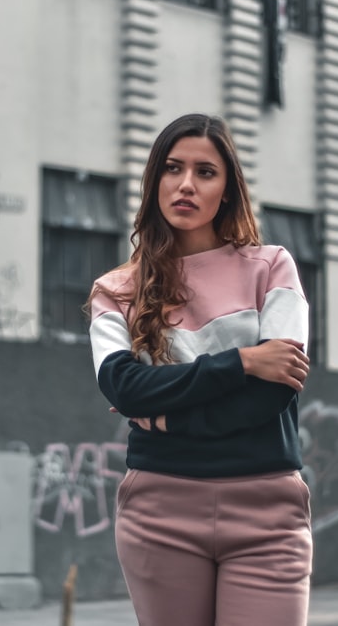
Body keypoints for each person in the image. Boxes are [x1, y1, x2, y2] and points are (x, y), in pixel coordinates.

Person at [87, 113, 313, 626]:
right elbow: (125, 386)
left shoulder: (271, 268)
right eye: (172, 168)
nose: (186, 184)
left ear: (228, 190)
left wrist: (165, 417)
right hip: (159, 513)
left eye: (205, 172)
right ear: (154, 182)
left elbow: (271, 395)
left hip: (267, 514)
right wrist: (243, 361)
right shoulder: (116, 290)